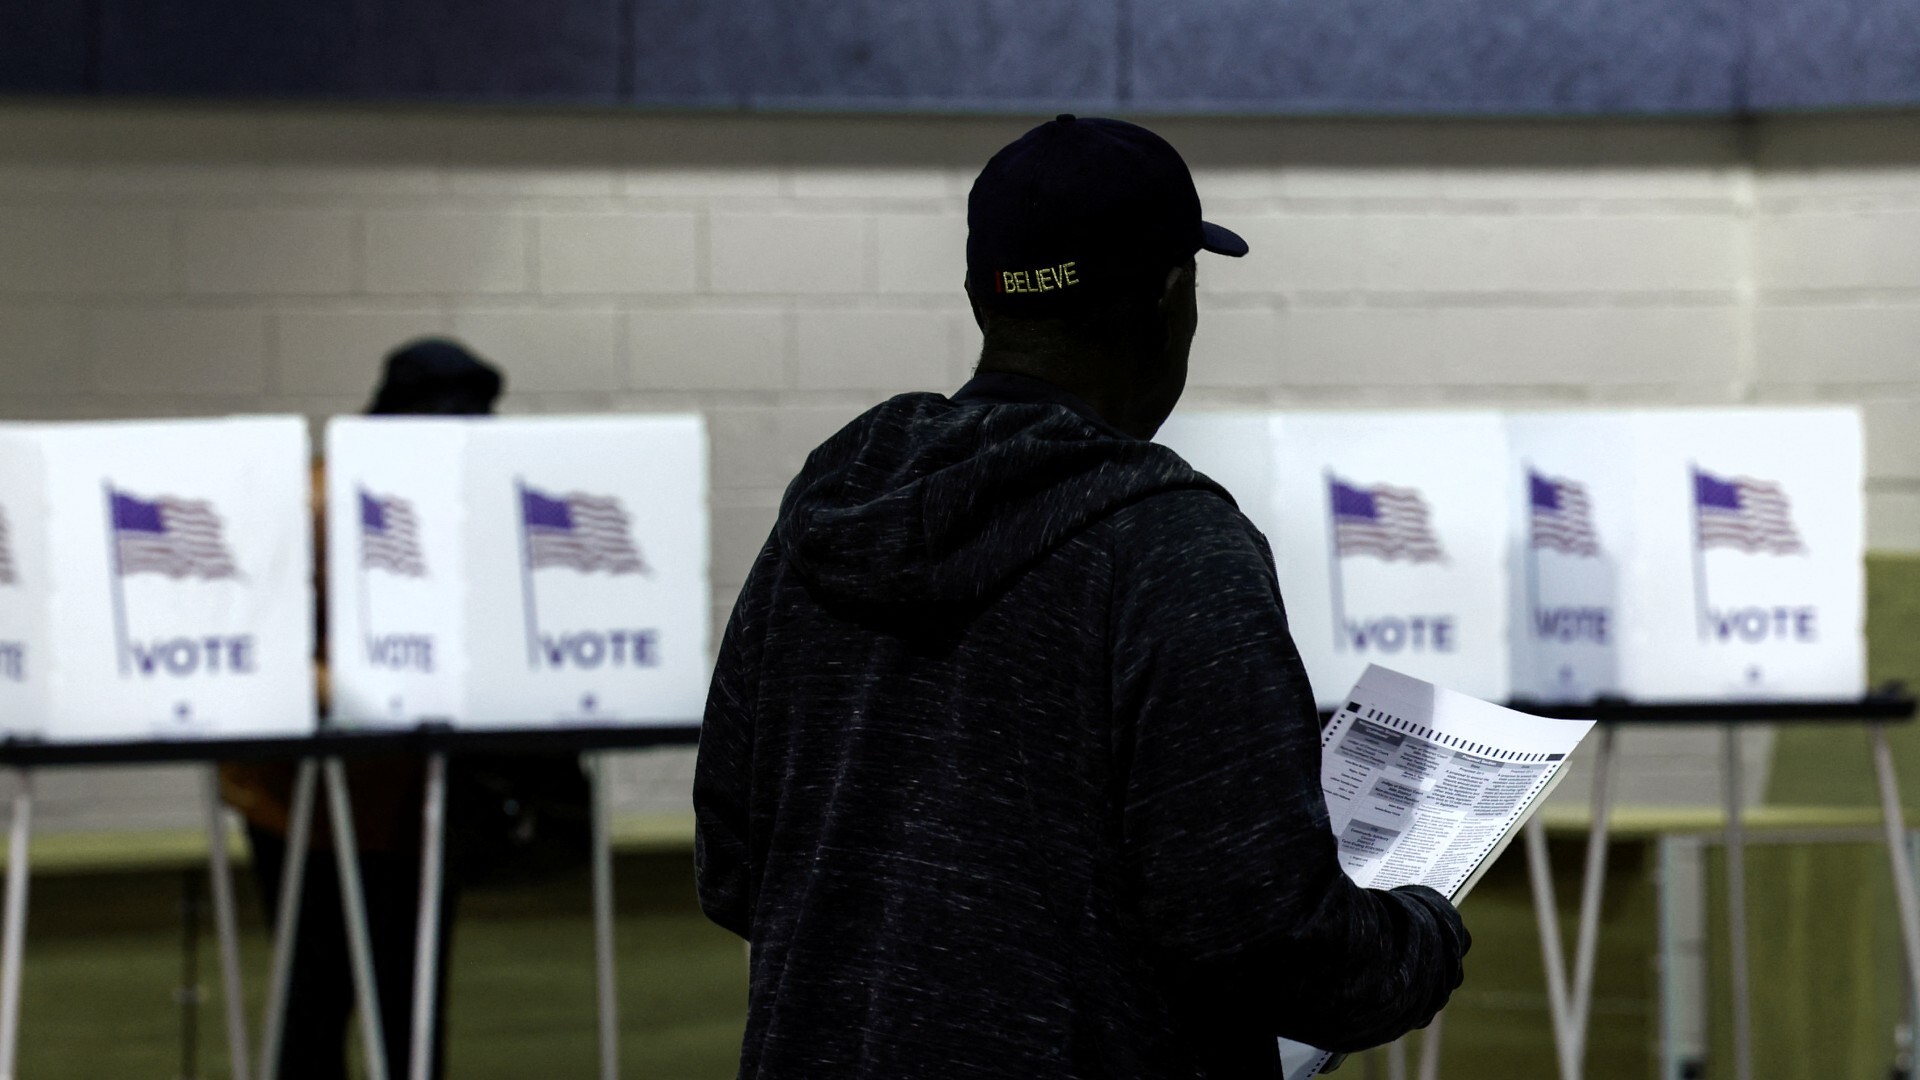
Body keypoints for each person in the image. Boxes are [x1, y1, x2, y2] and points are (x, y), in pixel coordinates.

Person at [693, 115, 1470, 1079]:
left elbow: (734, 869)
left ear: (981, 294)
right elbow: (1270, 938)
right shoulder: (1173, 549)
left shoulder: (827, 513)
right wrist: (1422, 934)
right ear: (1172, 295)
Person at [222, 338, 503, 1080]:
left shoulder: (441, 501)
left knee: (401, 1011)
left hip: (403, 794)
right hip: (304, 797)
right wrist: (377, 683)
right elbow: (261, 644)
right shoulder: (313, 500)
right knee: (324, 1005)